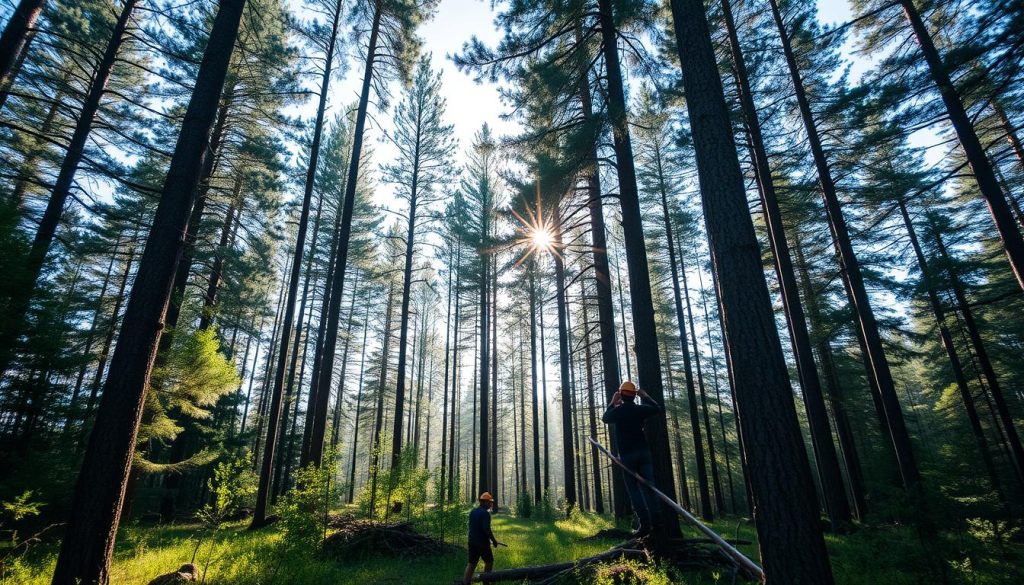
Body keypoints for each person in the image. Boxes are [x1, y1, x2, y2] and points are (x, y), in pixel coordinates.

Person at [602, 380, 662, 537]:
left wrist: (612, 403)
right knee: (650, 487)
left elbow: (605, 418)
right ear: (635, 396)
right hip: (644, 453)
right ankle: (657, 522)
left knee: (634, 490)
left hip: (627, 457)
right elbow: (657, 408)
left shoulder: (618, 411)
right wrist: (646, 396)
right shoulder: (640, 409)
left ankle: (645, 523)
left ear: (621, 394)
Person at [463, 492, 502, 584]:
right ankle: (486, 582)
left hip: (471, 542)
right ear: (484, 502)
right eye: (489, 502)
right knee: (489, 562)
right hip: (482, 543)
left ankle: (465, 583)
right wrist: (494, 541)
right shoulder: (485, 513)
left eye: (491, 502)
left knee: (471, 564)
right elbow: (486, 529)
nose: (491, 504)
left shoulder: (473, 512)